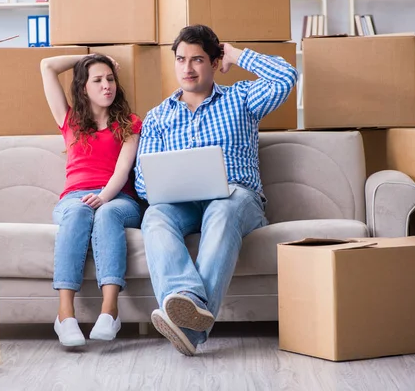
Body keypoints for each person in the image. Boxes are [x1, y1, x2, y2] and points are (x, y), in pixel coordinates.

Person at [134, 24, 298, 356]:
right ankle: (188, 302)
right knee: (154, 216)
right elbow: (141, 181)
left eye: (197, 59)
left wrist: (236, 55)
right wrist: (164, 186)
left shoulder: (242, 98)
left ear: (213, 62)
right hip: (182, 204)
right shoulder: (157, 117)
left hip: (238, 198)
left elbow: (286, 77)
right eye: (181, 59)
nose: (187, 68)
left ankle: (188, 322)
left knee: (221, 209)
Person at [41, 53, 142, 347]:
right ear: (83, 87)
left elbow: (123, 170)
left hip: (119, 198)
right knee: (79, 212)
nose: (106, 85)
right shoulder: (69, 119)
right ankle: (65, 315)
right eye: (97, 80)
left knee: (107, 213)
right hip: (74, 198)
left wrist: (103, 196)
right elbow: (47, 66)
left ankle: (110, 311)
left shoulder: (130, 123)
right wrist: (91, 57)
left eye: (110, 79)